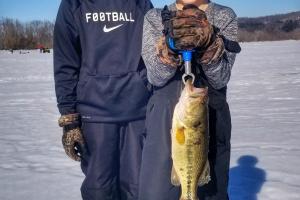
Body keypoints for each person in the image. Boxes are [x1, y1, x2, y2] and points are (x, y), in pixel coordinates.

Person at [139, 0, 241, 199]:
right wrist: (169, 49)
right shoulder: (155, 18)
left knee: (211, 192)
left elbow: (220, 79)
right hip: (164, 120)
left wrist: (211, 46)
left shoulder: (224, 16)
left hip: (210, 119)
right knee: (157, 191)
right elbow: (155, 76)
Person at [53, 0, 153, 199]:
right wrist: (69, 119)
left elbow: (153, 54)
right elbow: (65, 63)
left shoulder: (140, 3)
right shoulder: (74, 4)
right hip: (94, 114)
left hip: (137, 112)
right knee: (99, 189)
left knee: (138, 188)